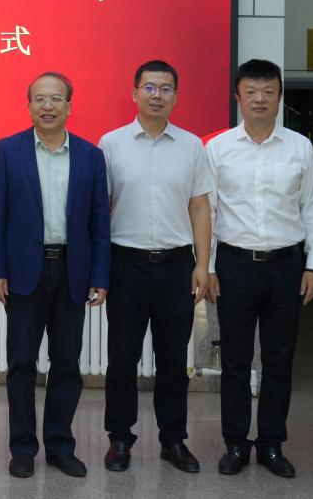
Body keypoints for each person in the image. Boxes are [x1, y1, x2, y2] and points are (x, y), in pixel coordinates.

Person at [0, 72, 110, 479]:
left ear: (69, 105)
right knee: (21, 363)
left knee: (67, 363)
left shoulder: (91, 156)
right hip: (24, 272)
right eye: (40, 99)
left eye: (56, 99)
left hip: (72, 271)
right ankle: (22, 448)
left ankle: (59, 445)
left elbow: (99, 222)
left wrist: (100, 275)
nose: (48, 106)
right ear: (29, 105)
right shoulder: (8, 151)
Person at [206, 58, 313, 479]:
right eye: (251, 92)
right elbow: (209, 211)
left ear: (279, 97)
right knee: (235, 362)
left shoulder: (300, 147)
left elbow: (312, 209)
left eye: (268, 92)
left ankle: (272, 443)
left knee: (279, 360)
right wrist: (207, 267)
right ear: (237, 97)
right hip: (234, 266)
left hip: (286, 266)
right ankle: (236, 443)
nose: (260, 99)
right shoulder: (218, 148)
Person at [98, 60, 211, 474]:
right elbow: (99, 209)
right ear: (134, 93)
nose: (157, 95)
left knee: (172, 361)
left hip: (177, 265)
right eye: (149, 87)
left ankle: (173, 439)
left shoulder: (192, 146)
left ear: (176, 96)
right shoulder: (111, 143)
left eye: (165, 88)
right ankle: (119, 439)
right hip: (124, 264)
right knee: (122, 359)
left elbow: (200, 207)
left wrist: (203, 264)